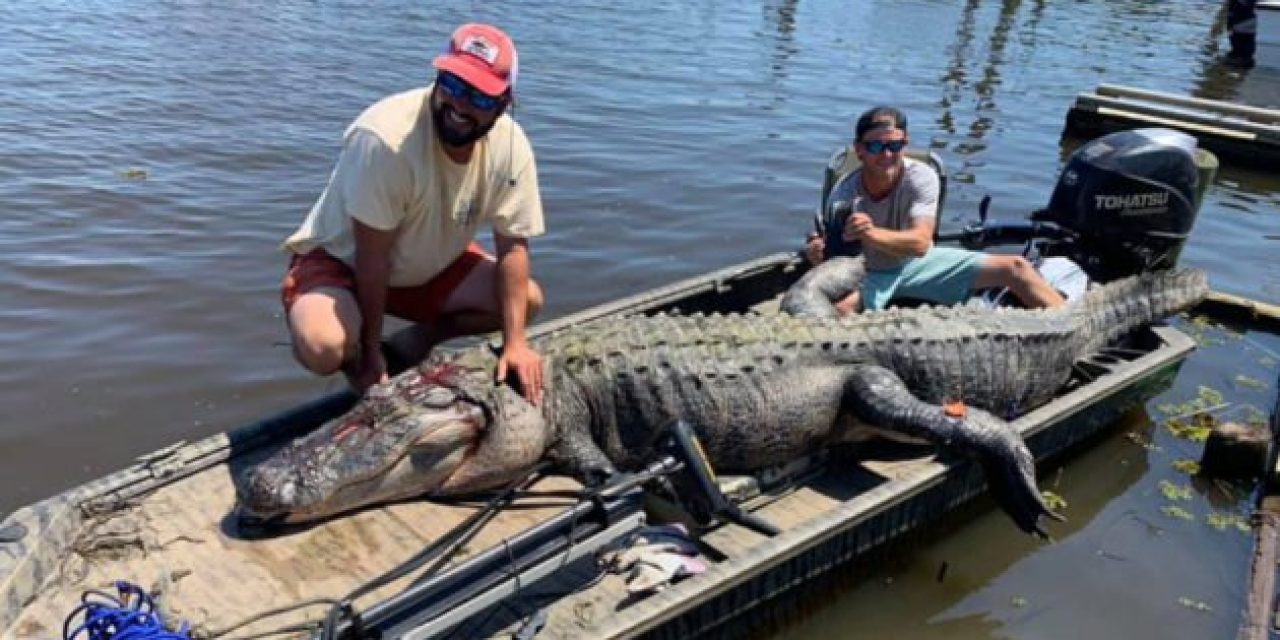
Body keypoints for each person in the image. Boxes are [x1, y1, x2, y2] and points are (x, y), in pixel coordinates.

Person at [279, 23, 546, 405]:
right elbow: (373, 258)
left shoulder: (512, 147)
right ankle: (356, 359)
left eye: (480, 98)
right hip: (345, 261)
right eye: (453, 85)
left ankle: (420, 338)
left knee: (526, 300)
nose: (459, 106)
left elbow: (513, 247)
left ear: (504, 104)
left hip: (425, 262)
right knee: (323, 346)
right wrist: (370, 354)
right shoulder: (387, 139)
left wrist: (516, 344)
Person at [805, 106, 1065, 315]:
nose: (886, 155)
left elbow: (921, 243)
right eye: (875, 147)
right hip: (870, 272)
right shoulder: (844, 193)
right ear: (859, 150)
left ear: (904, 143)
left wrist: (871, 233)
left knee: (1016, 268)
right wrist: (818, 252)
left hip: (917, 263)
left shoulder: (922, 176)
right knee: (837, 311)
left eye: (894, 146)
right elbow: (837, 255)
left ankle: (1072, 325)